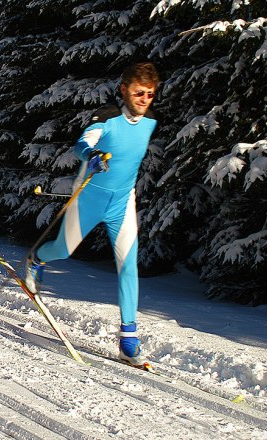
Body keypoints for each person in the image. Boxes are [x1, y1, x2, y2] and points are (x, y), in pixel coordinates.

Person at [25, 61, 159, 367]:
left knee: (128, 265)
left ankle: (128, 339)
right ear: (124, 90)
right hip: (89, 197)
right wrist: (92, 155)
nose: (144, 99)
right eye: (139, 92)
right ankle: (37, 259)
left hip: (123, 203)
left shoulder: (150, 121)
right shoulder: (107, 117)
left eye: (150, 94)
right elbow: (82, 143)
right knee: (63, 249)